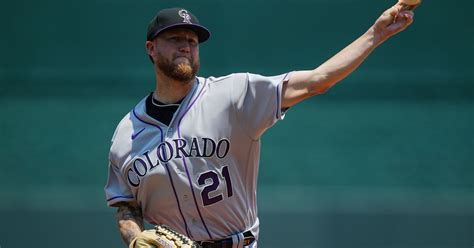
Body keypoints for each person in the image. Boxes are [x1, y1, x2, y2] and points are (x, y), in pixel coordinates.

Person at [105, 3, 419, 248]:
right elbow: (126, 207)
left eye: (192, 40)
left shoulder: (232, 94)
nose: (186, 46)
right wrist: (134, 237)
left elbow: (318, 81)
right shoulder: (126, 135)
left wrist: (376, 34)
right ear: (151, 49)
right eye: (175, 38)